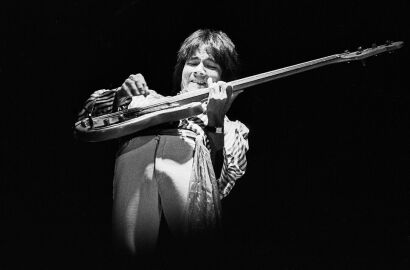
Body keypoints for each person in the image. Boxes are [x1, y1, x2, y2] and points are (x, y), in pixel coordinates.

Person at [77, 29, 249, 259]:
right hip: (136, 155)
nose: (199, 70)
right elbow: (85, 119)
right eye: (193, 62)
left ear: (222, 78)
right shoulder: (148, 100)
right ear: (182, 71)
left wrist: (215, 121)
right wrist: (120, 96)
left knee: (200, 248)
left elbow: (220, 185)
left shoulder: (231, 127)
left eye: (210, 66)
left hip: (189, 155)